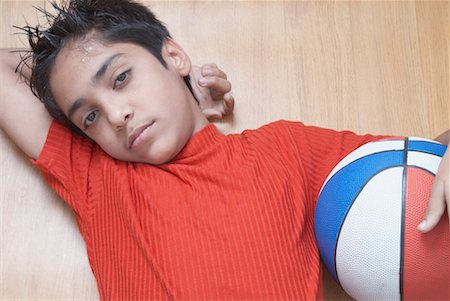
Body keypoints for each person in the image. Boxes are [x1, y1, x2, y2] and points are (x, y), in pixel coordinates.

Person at [0, 0, 448, 300]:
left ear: (174, 57)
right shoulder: (95, 176)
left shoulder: (283, 151)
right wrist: (60, 72)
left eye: (121, 78)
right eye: (89, 116)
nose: (116, 115)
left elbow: (415, 168)